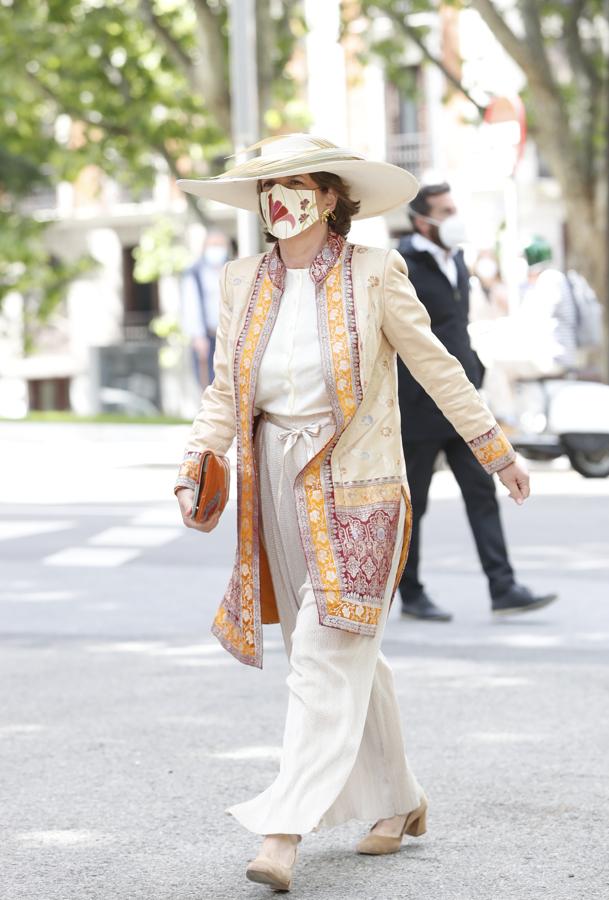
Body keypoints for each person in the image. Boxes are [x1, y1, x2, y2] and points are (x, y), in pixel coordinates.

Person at [173, 136, 531, 892]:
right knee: (347, 646)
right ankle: (399, 801)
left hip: (360, 480)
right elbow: (223, 391)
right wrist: (197, 464)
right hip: (276, 478)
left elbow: (436, 363)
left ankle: (283, 830)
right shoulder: (242, 279)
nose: (279, 198)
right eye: (268, 186)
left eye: (296, 184)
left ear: (331, 197)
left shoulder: (375, 272)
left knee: (325, 647)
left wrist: (491, 449)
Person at [396, 183, 557, 623]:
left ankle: (503, 587)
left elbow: (456, 328)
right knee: (415, 504)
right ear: (420, 219)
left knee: (482, 493)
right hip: (416, 409)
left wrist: (476, 374)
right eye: (445, 211)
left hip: (462, 405)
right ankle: (410, 593)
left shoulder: (459, 261)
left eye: (455, 208)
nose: (453, 218)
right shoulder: (401, 265)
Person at [180, 229, 231, 386]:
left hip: (229, 336)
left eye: (220, 245)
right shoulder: (194, 272)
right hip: (206, 336)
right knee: (208, 383)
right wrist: (198, 336)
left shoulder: (231, 269)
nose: (216, 249)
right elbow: (190, 306)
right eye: (213, 245)